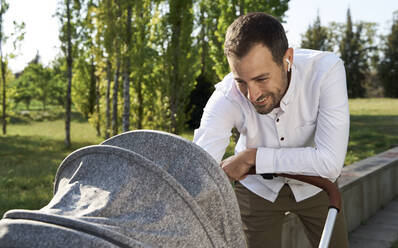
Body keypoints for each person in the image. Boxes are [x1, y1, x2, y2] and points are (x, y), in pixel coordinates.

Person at [193, 12, 350, 248]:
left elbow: (329, 162)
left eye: (261, 78)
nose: (252, 95)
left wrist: (252, 157)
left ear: (287, 58)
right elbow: (198, 168)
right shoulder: (226, 96)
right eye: (241, 81)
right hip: (257, 190)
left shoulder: (326, 72)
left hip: (316, 187)